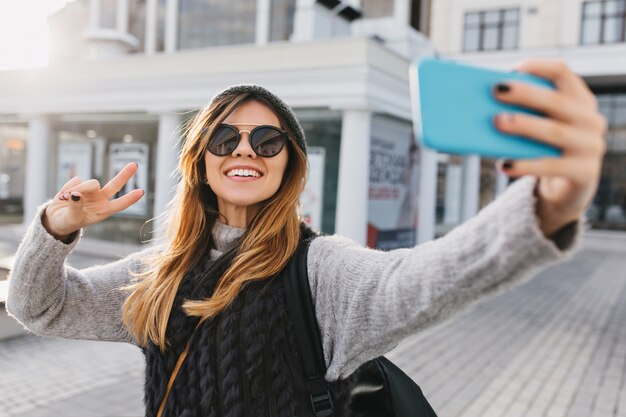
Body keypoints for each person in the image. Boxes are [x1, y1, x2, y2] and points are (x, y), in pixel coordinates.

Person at [6, 59, 606, 417]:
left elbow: (430, 277)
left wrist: (544, 207)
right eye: (225, 138)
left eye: (268, 142)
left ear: (288, 165)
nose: (245, 150)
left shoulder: (320, 271)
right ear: (201, 163)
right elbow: (38, 307)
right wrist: (55, 228)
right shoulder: (157, 274)